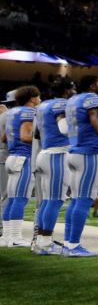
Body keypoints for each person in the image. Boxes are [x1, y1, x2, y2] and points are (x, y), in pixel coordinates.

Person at [61, 75, 98, 257]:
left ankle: (68, 242)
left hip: (73, 151)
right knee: (85, 199)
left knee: (77, 199)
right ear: (93, 85)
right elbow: (95, 118)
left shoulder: (73, 100)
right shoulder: (93, 98)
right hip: (87, 152)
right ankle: (73, 245)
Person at [31, 77, 75, 255]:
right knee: (55, 200)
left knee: (48, 201)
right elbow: (64, 128)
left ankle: (41, 241)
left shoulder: (43, 106)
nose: (74, 92)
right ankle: (45, 242)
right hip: (57, 154)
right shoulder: (61, 104)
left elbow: (36, 134)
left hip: (45, 154)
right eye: (72, 88)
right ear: (66, 91)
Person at [2, 86, 40, 247]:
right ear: (32, 98)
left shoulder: (10, 113)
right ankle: (15, 238)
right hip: (24, 158)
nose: (39, 100)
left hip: (12, 157)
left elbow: (4, 137)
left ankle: (7, 236)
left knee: (11, 199)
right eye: (38, 97)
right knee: (20, 198)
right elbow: (25, 136)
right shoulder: (30, 113)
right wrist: (42, 140)